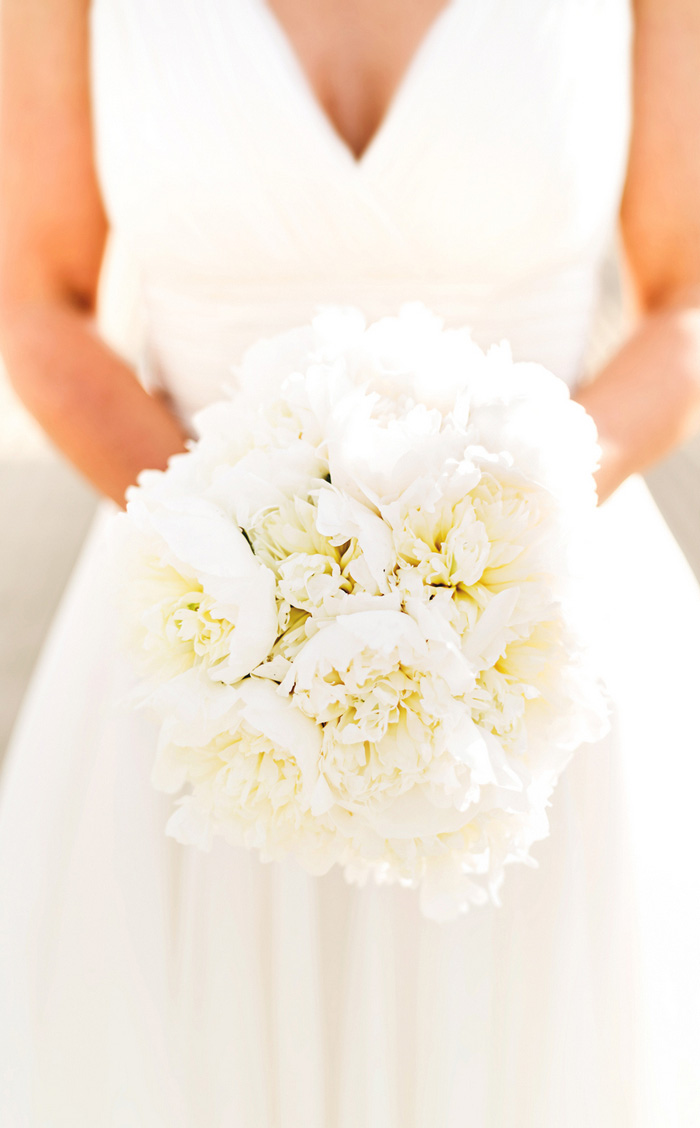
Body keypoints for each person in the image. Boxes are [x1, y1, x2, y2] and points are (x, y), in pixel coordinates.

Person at [0, 0, 699, 1124]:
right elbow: (39, 303)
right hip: (188, 668)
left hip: (530, 656)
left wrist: (519, 524)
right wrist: (247, 565)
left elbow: (685, 304)